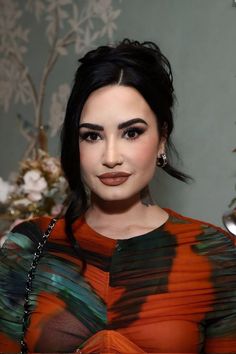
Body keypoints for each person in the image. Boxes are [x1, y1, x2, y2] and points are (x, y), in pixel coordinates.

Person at [0, 39, 236, 354]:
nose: (111, 156)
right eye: (92, 136)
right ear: (77, 143)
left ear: (162, 138)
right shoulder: (29, 246)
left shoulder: (217, 255)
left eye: (131, 132)